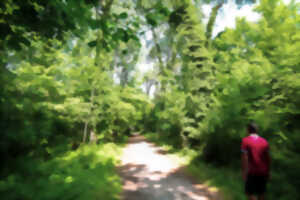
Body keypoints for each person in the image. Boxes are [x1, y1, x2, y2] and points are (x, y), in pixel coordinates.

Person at [241, 123, 271, 200]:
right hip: (263, 172)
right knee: (261, 193)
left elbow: (245, 157)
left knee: (249, 193)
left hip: (252, 172)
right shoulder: (264, 141)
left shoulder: (245, 141)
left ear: (248, 130)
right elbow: (268, 158)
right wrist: (268, 172)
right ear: (257, 130)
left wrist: (244, 172)